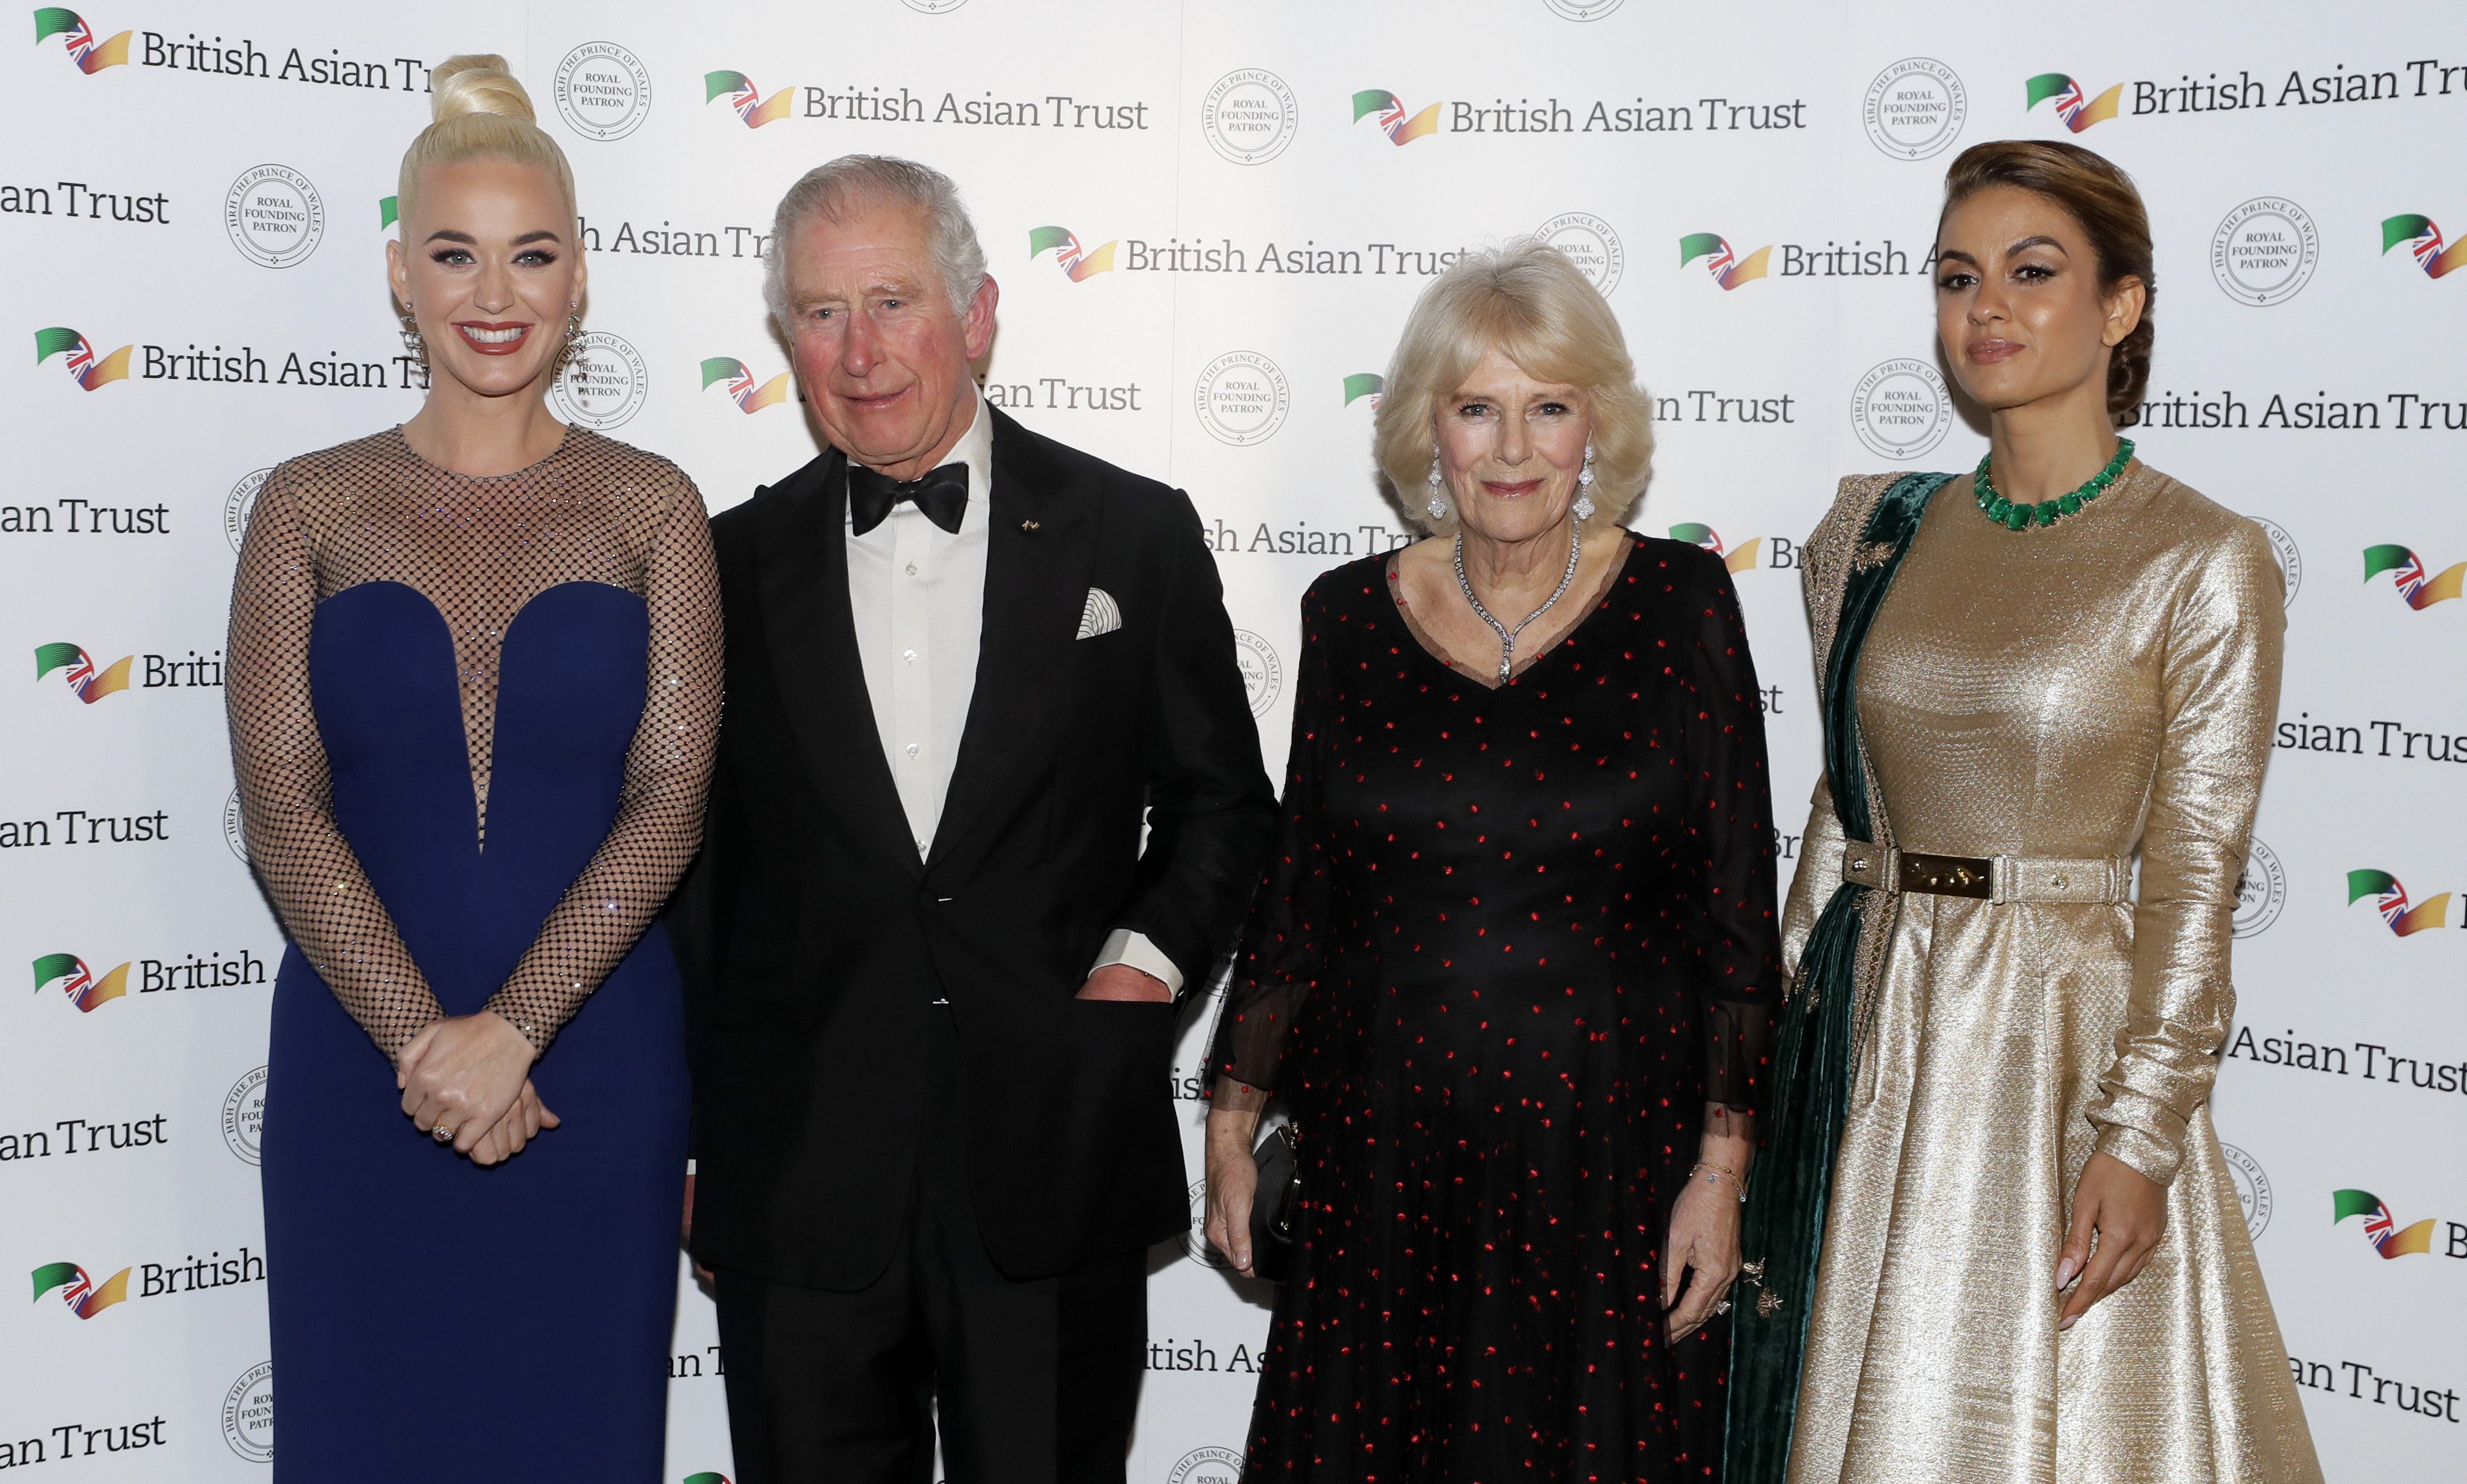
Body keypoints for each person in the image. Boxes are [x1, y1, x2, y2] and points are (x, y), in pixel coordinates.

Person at [670, 154, 1275, 1484]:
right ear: (787, 339)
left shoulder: (1134, 533)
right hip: (802, 1180)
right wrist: (702, 1135)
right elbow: (693, 876)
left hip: (1054, 1157)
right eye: (821, 313)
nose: (860, 349)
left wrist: (1142, 966)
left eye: (893, 300)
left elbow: (1223, 805)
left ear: (981, 313)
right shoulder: (719, 563)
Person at [1727, 139, 2323, 1484]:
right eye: (1956, 277)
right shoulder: (1869, 529)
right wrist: (1762, 1062)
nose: (1984, 307)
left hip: (2059, 1043)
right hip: (1870, 1038)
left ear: (2121, 308)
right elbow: (1841, 805)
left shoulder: (2202, 557)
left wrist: (2141, 1130)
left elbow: (2192, 867)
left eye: (2030, 271)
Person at [1202, 240, 1784, 1482]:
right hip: (1380, 1153)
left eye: (1548, 407)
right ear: (1428, 426)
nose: (1512, 447)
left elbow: (1737, 912)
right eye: (1476, 407)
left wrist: (1720, 1171)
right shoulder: (1346, 615)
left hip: (1608, 1153)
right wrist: (1233, 1118)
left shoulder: (1683, 603)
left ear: (1597, 427)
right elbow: (1300, 887)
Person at [225, 55, 720, 1483]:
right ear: (397, 271)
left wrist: (514, 1028)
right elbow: (279, 799)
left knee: (577, 1432)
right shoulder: (309, 504)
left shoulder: (651, 505)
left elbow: (670, 795)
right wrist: (425, 1040)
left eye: (531, 253)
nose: (492, 293)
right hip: (355, 1069)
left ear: (580, 276)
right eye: (454, 253)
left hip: (596, 1066)